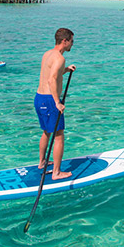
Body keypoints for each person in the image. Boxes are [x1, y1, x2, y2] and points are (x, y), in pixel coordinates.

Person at [34, 28, 76, 180]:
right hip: (50, 100)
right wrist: (57, 102)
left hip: (39, 98)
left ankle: (42, 162)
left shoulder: (48, 54)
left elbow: (51, 73)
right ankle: (56, 173)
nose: (72, 44)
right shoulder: (59, 58)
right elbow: (52, 80)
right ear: (64, 41)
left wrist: (66, 70)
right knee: (59, 136)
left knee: (46, 131)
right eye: (71, 41)